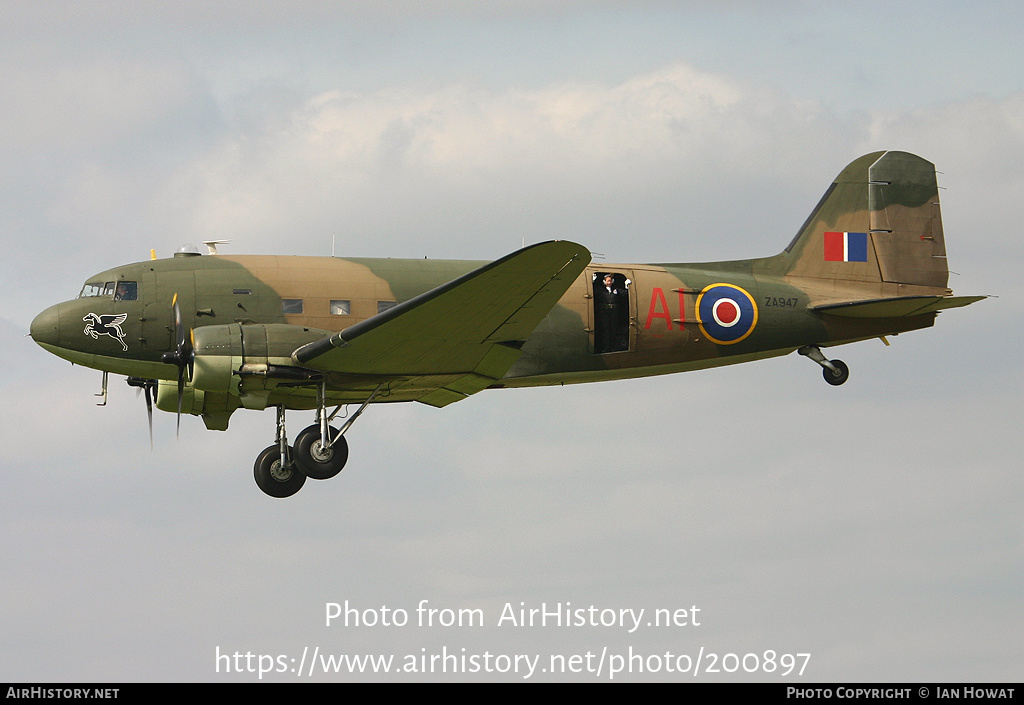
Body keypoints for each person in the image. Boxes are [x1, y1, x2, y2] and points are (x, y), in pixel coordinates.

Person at [594, 273, 628, 353]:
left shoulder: (616, 290)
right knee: (605, 330)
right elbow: (594, 292)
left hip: (614, 312)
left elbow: (624, 294)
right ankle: (605, 347)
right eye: (608, 281)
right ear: (604, 282)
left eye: (610, 281)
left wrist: (626, 286)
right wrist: (593, 282)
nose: (609, 282)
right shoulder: (601, 290)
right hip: (604, 312)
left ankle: (612, 347)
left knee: (613, 330)